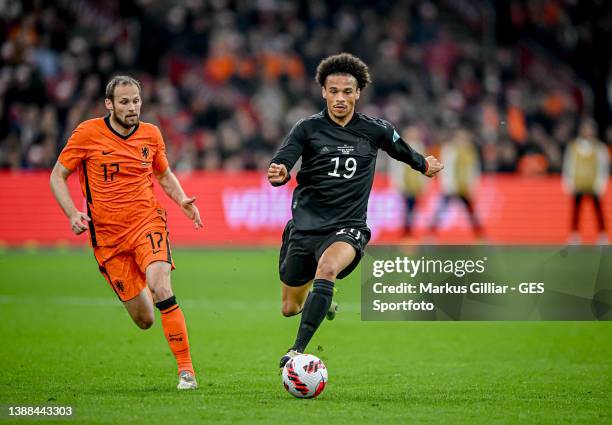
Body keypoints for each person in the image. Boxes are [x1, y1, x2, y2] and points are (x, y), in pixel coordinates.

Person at [267, 53, 443, 368]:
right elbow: (283, 160)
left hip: (348, 227)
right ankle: (323, 302)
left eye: (347, 92)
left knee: (328, 268)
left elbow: (401, 149)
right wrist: (279, 172)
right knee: (289, 307)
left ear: (358, 93)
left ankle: (297, 351)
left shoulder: (375, 130)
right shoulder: (307, 129)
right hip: (306, 226)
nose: (340, 98)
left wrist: (424, 164)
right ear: (323, 91)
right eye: (333, 91)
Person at [49, 76, 202, 390]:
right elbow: (57, 176)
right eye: (124, 102)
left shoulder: (151, 134)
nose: (132, 107)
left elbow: (163, 173)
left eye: (136, 101)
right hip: (108, 240)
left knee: (162, 287)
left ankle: (186, 371)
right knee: (145, 319)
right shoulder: (88, 134)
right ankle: (140, 278)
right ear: (109, 104)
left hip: (147, 222)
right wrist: (72, 213)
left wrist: (182, 199)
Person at [429, 127, 483, 239]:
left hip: (464, 187)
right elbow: (445, 168)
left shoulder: (470, 152)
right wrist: (447, 185)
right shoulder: (449, 149)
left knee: (471, 211)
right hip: (452, 186)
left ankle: (479, 236)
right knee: (442, 210)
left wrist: (472, 185)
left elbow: (474, 170)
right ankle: (431, 235)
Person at [562, 118, 609, 244]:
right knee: (576, 211)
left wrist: (601, 183)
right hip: (578, 184)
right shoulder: (573, 146)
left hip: (592, 184)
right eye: (585, 128)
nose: (587, 131)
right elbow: (568, 164)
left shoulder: (599, 147)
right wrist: (568, 182)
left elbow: (603, 167)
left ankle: (602, 235)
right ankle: (574, 235)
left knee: (598, 211)